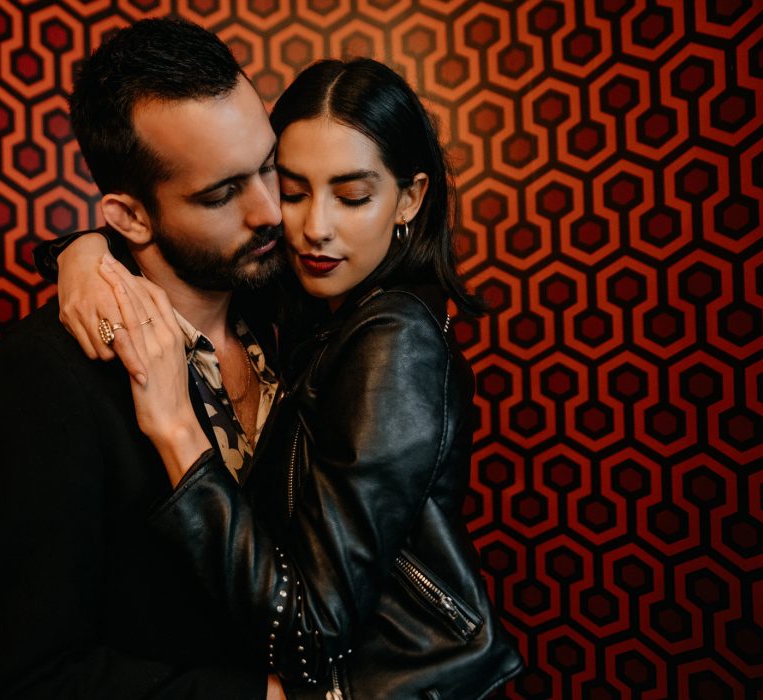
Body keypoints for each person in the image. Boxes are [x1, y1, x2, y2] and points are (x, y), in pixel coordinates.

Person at [53, 59, 525, 698]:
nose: (314, 228)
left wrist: (177, 429)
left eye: (353, 197)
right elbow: (174, 235)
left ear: (410, 198)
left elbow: (309, 631)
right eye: (294, 191)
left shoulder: (395, 342)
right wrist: (81, 254)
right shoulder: (301, 299)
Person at [0, 19, 290, 698]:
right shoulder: (44, 379)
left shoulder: (296, 304)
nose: (270, 210)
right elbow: (20, 677)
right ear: (130, 217)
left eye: (270, 165)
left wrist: (78, 249)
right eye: (222, 194)